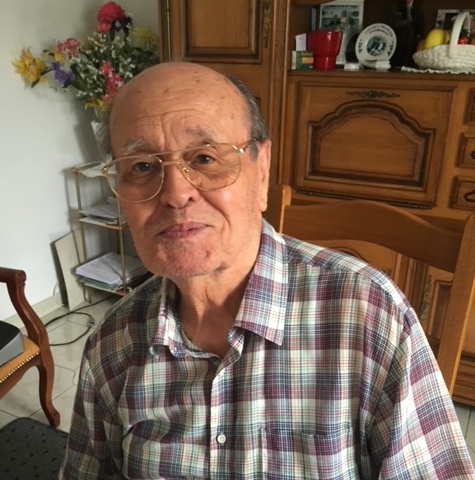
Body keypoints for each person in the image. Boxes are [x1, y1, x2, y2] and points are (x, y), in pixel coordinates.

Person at [59, 61, 475, 479]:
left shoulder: (368, 317)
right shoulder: (112, 345)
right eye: (142, 166)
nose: (176, 193)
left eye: (204, 157)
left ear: (261, 172)